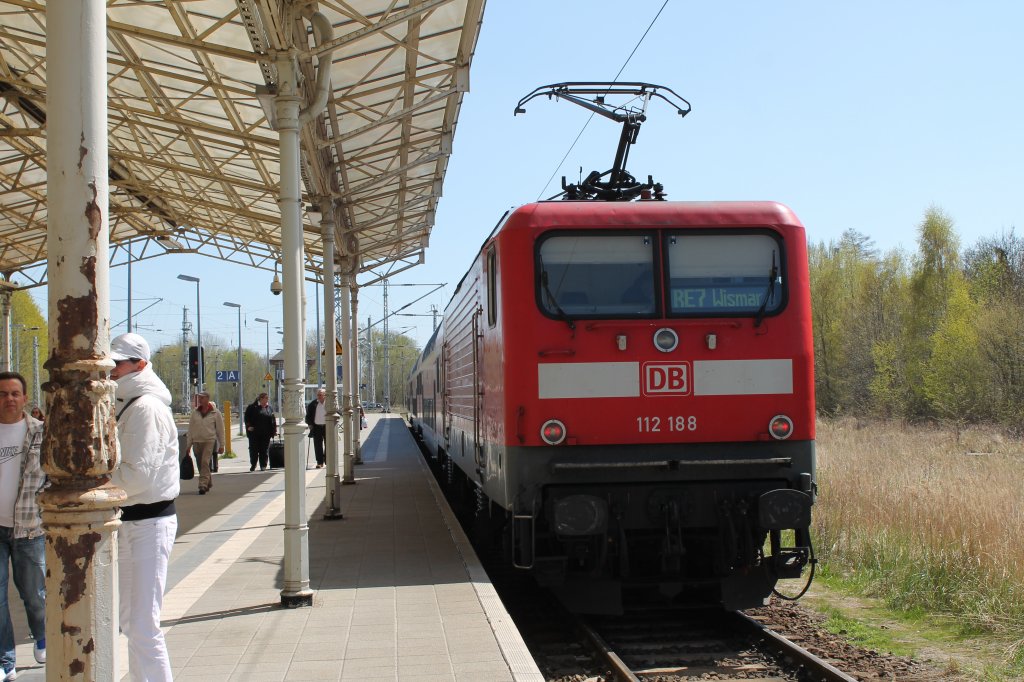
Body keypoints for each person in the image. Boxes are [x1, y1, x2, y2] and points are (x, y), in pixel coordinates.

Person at [109, 333, 179, 682]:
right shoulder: (132, 402)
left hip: (148, 522)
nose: (111, 371)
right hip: (137, 522)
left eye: (117, 364)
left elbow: (136, 476)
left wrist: (99, 475)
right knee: (131, 623)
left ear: (139, 365)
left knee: (142, 625)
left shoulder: (145, 408)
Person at [0, 372, 46, 680]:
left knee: (34, 593)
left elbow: (54, 474)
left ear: (25, 397)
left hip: (29, 527)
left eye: (15, 393)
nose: (9, 399)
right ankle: (6, 661)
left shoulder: (40, 432)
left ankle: (42, 635)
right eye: (3, 394)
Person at [186, 392, 224, 495]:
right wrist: (188, 445)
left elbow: (220, 430)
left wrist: (222, 445)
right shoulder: (195, 413)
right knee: (200, 464)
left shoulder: (215, 413)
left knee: (205, 462)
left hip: (209, 441)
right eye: (199, 398)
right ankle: (208, 482)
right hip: (196, 442)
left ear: (207, 399)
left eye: (202, 398)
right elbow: (191, 429)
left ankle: (202, 485)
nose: (200, 400)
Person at [243, 393, 276, 471]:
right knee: (254, 450)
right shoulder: (252, 407)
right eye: (265, 398)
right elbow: (247, 418)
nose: (267, 400)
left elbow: (273, 420)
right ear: (260, 399)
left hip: (266, 433)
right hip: (254, 433)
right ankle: (253, 464)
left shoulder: (269, 408)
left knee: (264, 450)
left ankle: (263, 465)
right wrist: (249, 426)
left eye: (267, 398)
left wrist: (274, 430)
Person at [304, 388, 326, 468]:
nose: (319, 396)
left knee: (328, 445)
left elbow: (337, 412)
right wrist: (310, 424)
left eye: (320, 395)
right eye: (318, 395)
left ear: (325, 395)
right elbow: (308, 416)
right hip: (316, 427)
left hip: (327, 427)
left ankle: (326, 459)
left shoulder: (329, 404)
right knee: (317, 445)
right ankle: (319, 462)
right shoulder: (312, 404)